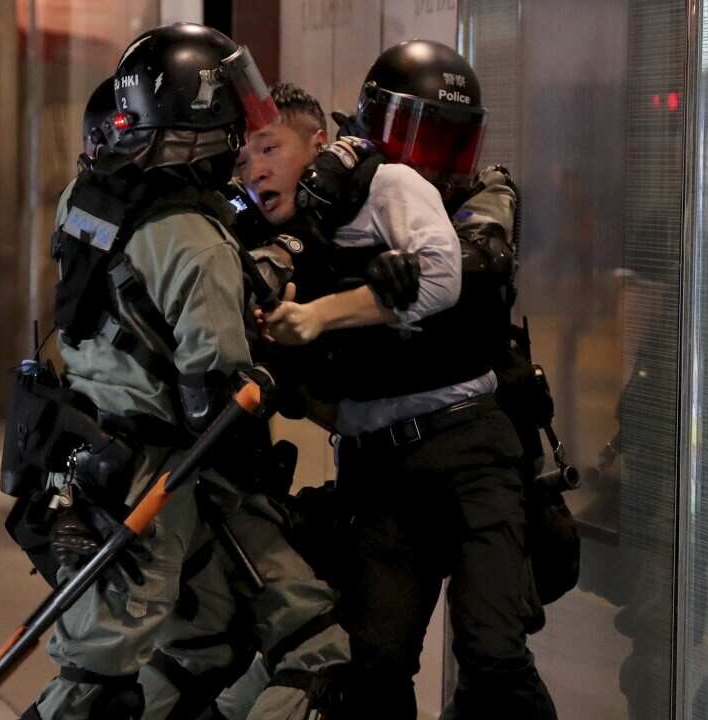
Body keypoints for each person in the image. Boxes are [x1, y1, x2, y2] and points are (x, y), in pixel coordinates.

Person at [18, 23, 349, 720]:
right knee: (98, 682)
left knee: (222, 641)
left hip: (91, 451)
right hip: (161, 477)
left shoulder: (90, 196)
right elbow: (218, 395)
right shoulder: (197, 243)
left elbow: (139, 296)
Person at [241, 44, 557, 719]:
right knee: (374, 660)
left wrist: (383, 281)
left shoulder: (477, 197)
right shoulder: (314, 215)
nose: (430, 156)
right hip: (379, 464)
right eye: (416, 135)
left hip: (472, 448)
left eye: (448, 138)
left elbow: (468, 260)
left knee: (493, 652)